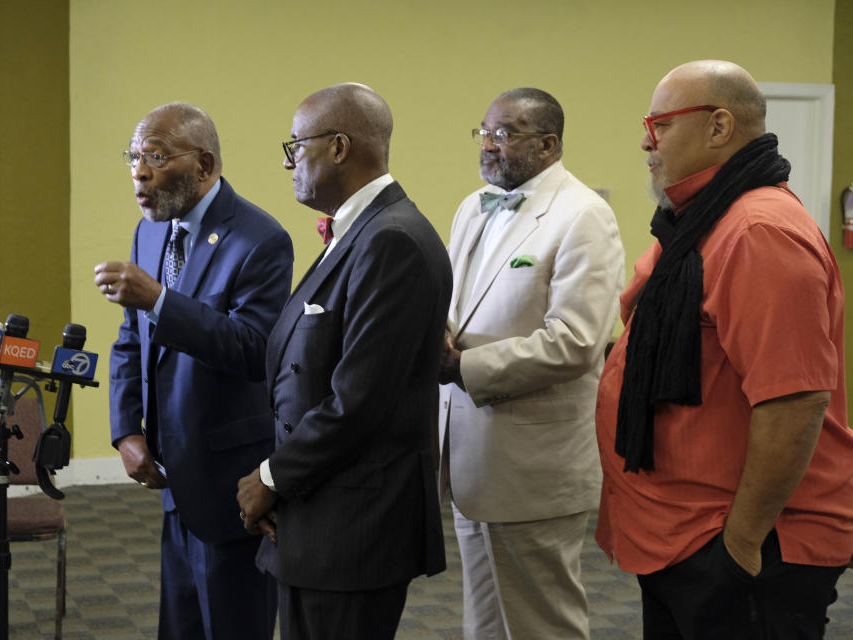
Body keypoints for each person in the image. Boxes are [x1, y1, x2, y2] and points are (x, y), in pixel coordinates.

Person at [595, 60, 853, 639]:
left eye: (659, 123)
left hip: (743, 543)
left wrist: (739, 545)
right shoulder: (699, 223)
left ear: (718, 127)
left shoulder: (759, 231)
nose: (645, 140)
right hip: (682, 533)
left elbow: (796, 402)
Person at [236, 83, 451, 640]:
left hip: (356, 526)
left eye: (295, 146)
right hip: (323, 514)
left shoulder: (391, 240)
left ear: (337, 147)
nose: (289, 163)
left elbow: (359, 399)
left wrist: (271, 476)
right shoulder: (360, 231)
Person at [95, 102, 293, 640]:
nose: (139, 171)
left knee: (232, 627)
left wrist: (159, 300)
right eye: (134, 156)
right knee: (180, 629)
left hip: (233, 487)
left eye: (156, 157)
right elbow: (129, 342)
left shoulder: (260, 240)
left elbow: (254, 349)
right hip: (170, 479)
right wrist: (127, 430)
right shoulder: (151, 231)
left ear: (203, 165)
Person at [438, 88, 625, 639]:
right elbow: (456, 310)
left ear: (548, 144)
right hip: (469, 454)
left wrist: (460, 367)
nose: (490, 145)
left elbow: (577, 341)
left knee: (544, 625)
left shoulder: (584, 215)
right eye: (485, 132)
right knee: (486, 621)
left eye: (506, 133)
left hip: (533, 466)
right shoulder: (473, 207)